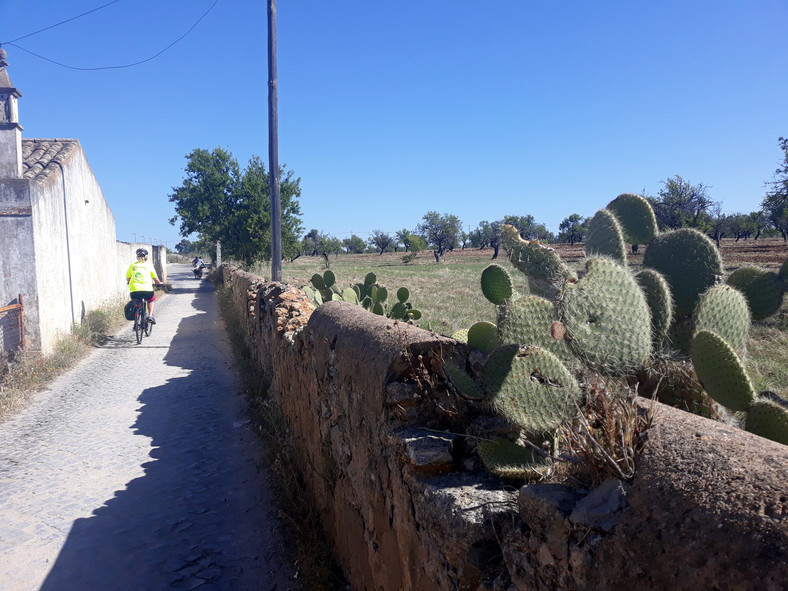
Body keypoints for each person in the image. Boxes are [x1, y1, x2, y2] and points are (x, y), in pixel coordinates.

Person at [126, 248, 163, 323]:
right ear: (146, 257)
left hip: (134, 290)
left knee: (136, 301)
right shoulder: (149, 265)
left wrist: (129, 282)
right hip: (147, 290)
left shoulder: (132, 265)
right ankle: (150, 316)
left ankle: (136, 317)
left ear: (137, 257)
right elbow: (155, 278)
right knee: (151, 300)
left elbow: (128, 278)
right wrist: (159, 283)